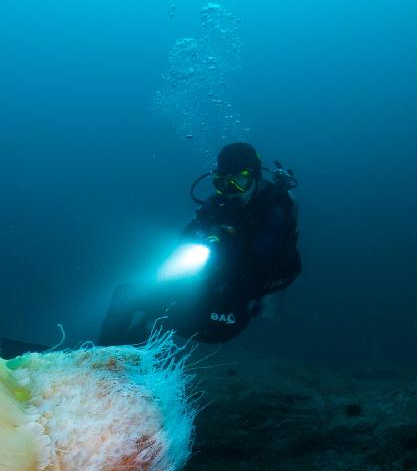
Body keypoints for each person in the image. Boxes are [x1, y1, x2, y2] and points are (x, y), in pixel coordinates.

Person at [98, 142, 301, 346]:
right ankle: (99, 363)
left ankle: (119, 360)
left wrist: (225, 250)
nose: (230, 190)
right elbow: (188, 236)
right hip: (200, 288)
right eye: (222, 183)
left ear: (256, 178)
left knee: (155, 322)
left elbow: (265, 257)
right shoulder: (216, 205)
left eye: (240, 181)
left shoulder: (275, 211)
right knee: (125, 296)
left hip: (230, 311)